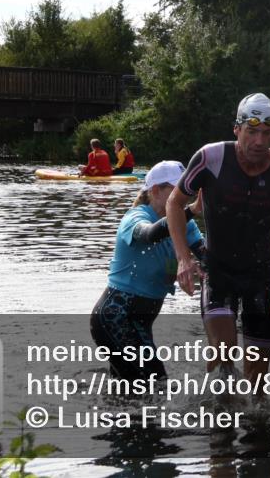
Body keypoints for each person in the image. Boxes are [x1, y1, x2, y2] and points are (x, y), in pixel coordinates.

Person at [166, 93, 270, 381]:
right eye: (251, 131)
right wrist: (183, 258)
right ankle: (218, 415)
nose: (259, 141)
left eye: (266, 132)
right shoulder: (210, 158)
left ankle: (255, 420)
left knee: (256, 383)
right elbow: (174, 203)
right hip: (218, 271)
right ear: (236, 129)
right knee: (223, 353)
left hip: (260, 276)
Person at [90, 160, 204, 379]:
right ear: (155, 190)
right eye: (176, 190)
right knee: (155, 384)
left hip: (141, 322)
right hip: (115, 317)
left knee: (130, 391)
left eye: (186, 189)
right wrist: (191, 210)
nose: (184, 195)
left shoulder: (187, 225)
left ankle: (108, 411)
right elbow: (150, 234)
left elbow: (206, 254)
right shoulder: (134, 218)